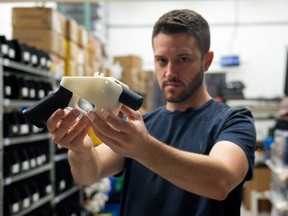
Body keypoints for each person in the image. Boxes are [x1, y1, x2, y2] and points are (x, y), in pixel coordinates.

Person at [46, 9, 256, 216]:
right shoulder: (144, 125)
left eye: (183, 59)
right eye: (162, 60)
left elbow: (220, 183)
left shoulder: (233, 122)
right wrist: (80, 149)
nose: (170, 72)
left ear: (206, 61)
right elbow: (88, 174)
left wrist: (144, 149)